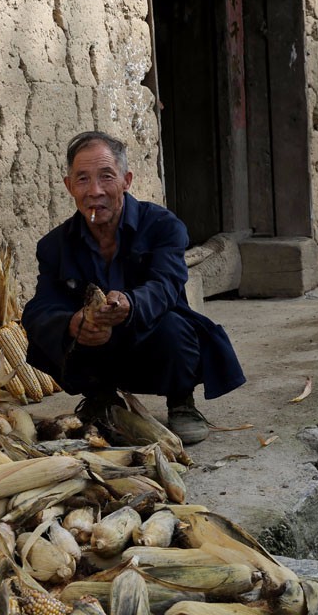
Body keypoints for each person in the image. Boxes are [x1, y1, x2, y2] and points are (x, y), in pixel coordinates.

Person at [21, 131, 245, 444]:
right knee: (44, 329)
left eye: (106, 177)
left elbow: (167, 284)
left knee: (174, 326)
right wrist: (71, 324)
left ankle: (181, 400)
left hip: (152, 341)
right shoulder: (54, 246)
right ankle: (101, 397)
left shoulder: (163, 226)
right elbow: (40, 306)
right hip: (99, 350)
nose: (94, 191)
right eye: (82, 179)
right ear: (68, 186)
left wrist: (131, 304)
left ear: (126, 180)